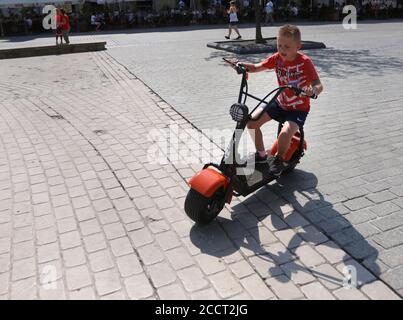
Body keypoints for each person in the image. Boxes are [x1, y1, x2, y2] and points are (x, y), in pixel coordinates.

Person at [232, 25, 323, 176]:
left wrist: (312, 91)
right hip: (280, 103)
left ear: (298, 46)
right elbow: (256, 67)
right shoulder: (277, 58)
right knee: (252, 122)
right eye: (279, 45)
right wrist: (241, 65)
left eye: (287, 46)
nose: (282, 49)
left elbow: (318, 85)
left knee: (285, 132)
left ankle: (279, 160)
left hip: (298, 109)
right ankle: (261, 155)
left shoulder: (305, 62)